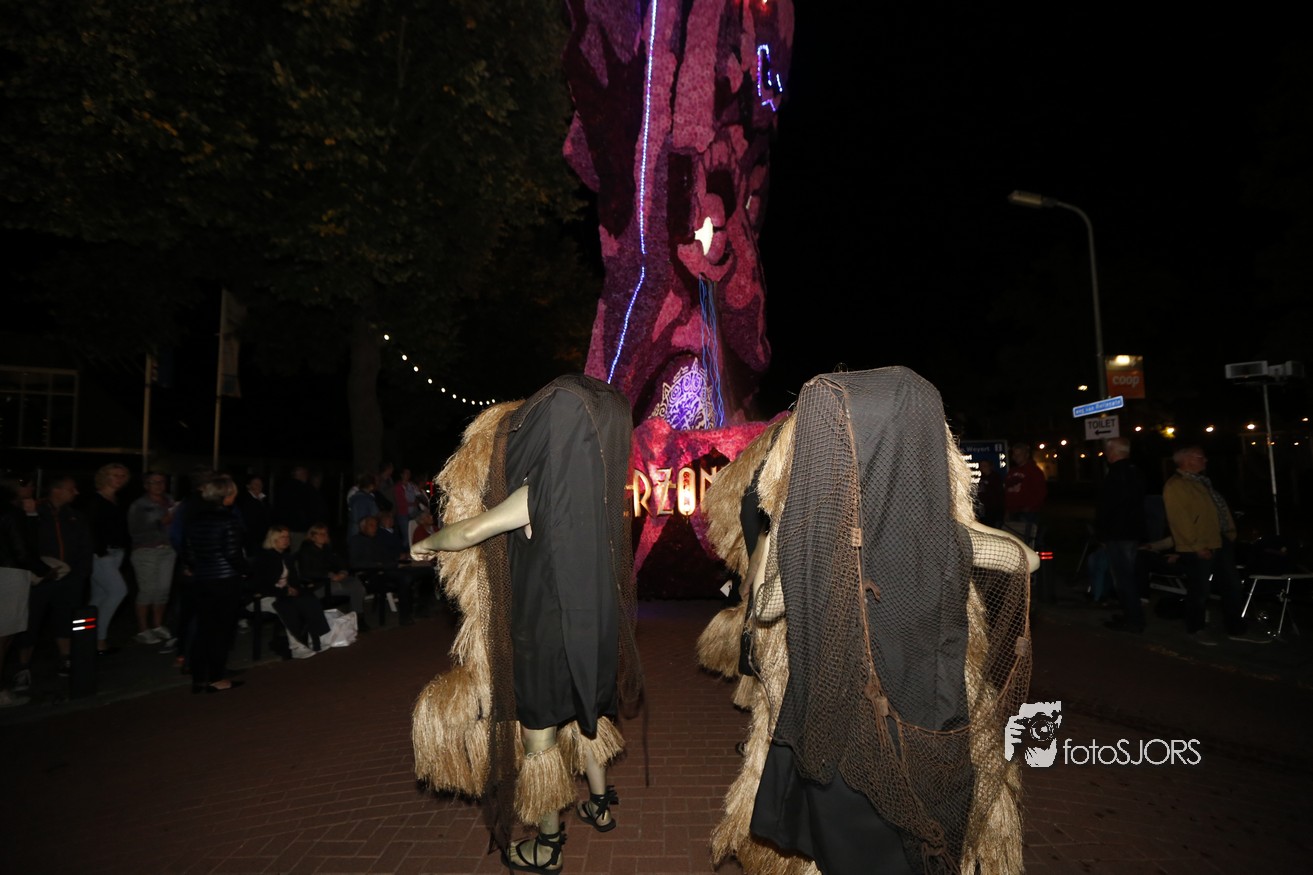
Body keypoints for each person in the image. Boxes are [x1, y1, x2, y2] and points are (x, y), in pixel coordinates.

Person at [701, 368, 1037, 875]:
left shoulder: (811, 542)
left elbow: (765, 607)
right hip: (926, 726)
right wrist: (957, 527)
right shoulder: (943, 540)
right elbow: (1024, 560)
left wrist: (775, 535)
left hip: (839, 728)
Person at [410, 375, 642, 874]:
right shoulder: (600, 492)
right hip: (592, 631)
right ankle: (600, 806)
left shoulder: (539, 492)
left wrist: (425, 543)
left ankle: (548, 845)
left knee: (540, 737)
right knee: (586, 715)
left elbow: (470, 531)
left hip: (544, 633)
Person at [1162, 447, 1255, 646]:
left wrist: (1229, 533)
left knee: (1232, 586)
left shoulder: (1202, 482)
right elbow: (1180, 519)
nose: (1205, 460)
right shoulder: (1176, 485)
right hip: (1199, 545)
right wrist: (1196, 545)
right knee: (1200, 590)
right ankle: (1195, 628)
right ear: (1187, 460)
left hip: (1220, 541)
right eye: (1200, 457)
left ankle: (1235, 628)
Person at [20, 475, 93, 680]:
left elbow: (85, 546)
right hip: (39, 578)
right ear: (56, 490)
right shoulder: (34, 512)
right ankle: (23, 666)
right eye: (71, 489)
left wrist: (81, 574)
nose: (76, 492)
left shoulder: (75, 516)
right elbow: (23, 543)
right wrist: (38, 570)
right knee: (30, 621)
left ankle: (66, 658)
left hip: (70, 578)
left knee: (66, 619)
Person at [182, 475, 247, 692]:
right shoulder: (228, 520)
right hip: (225, 580)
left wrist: (200, 567)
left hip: (202, 579)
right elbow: (233, 554)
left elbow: (189, 552)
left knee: (204, 629)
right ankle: (216, 677)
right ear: (226, 495)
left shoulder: (194, 519)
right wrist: (247, 572)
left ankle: (199, 678)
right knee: (221, 631)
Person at [1, 475, 52, 706]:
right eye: (25, 483)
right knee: (4, 635)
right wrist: (45, 571)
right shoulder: (12, 512)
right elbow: (23, 550)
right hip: (9, 573)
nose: (31, 487)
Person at [250, 525, 330, 658]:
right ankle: (296, 646)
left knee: (309, 599)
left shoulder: (287, 557)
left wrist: (295, 589)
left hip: (283, 594)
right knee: (289, 607)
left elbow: (294, 581)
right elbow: (261, 585)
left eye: (288, 537)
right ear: (273, 539)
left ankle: (316, 638)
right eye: (282, 537)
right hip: (262, 596)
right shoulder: (264, 558)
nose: (286, 540)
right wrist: (285, 592)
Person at [1098, 438, 1148, 633]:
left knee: (1123, 577)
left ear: (1112, 452)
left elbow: (1109, 507)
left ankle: (1133, 619)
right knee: (1127, 575)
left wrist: (1103, 533)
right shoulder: (1135, 472)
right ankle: (1130, 614)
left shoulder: (1116, 474)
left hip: (1118, 534)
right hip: (1131, 532)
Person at [128, 472, 178, 649]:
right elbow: (135, 530)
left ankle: (157, 625)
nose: (158, 485)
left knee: (163, 590)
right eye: (154, 482)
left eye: (161, 481)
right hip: (146, 550)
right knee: (147, 590)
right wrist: (161, 521)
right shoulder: (139, 505)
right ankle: (143, 629)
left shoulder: (169, 500)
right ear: (146, 485)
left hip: (168, 550)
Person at [86, 463, 132, 654]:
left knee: (98, 597)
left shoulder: (118, 500)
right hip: (101, 554)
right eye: (115, 475)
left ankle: (85, 638)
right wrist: (99, 551)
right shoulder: (95, 500)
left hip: (116, 553)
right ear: (105, 476)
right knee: (118, 591)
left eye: (122, 475)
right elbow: (90, 528)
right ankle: (99, 640)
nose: (119, 479)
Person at [297, 523, 368, 629]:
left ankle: (357, 617)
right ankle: (348, 620)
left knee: (356, 584)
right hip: (318, 584)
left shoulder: (327, 549)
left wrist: (343, 572)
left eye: (325, 533)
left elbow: (340, 562)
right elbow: (306, 572)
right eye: (319, 534)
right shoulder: (306, 551)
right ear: (312, 536)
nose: (323, 536)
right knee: (340, 586)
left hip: (334, 580)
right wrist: (329, 575)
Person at [348, 515, 413, 626]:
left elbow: (386, 556)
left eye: (376, 526)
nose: (375, 528)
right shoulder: (356, 541)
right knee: (403, 579)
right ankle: (405, 616)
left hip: (384, 571)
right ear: (363, 527)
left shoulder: (377, 540)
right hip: (369, 575)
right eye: (371, 525)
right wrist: (379, 565)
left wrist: (397, 559)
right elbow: (355, 563)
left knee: (409, 574)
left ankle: (409, 613)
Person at [1004, 442, 1047, 545]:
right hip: (1012, 512)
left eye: (1019, 454)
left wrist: (1029, 507)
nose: (1016, 457)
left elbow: (1041, 492)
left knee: (1027, 542)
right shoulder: (1012, 471)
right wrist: (1007, 510)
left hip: (1027, 513)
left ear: (1026, 455)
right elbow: (1007, 491)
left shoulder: (1034, 471)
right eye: (1015, 454)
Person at [234, 474, 271, 556]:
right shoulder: (244, 500)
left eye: (260, 483)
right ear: (248, 486)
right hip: (251, 537)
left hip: (264, 536)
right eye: (255, 483)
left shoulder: (264, 499)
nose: (259, 485)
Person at [975, 458, 1006, 529]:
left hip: (994, 509)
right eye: (981, 466)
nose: (982, 468)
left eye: (985, 466)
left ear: (990, 466)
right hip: (984, 509)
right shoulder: (982, 478)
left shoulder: (995, 477)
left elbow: (999, 494)